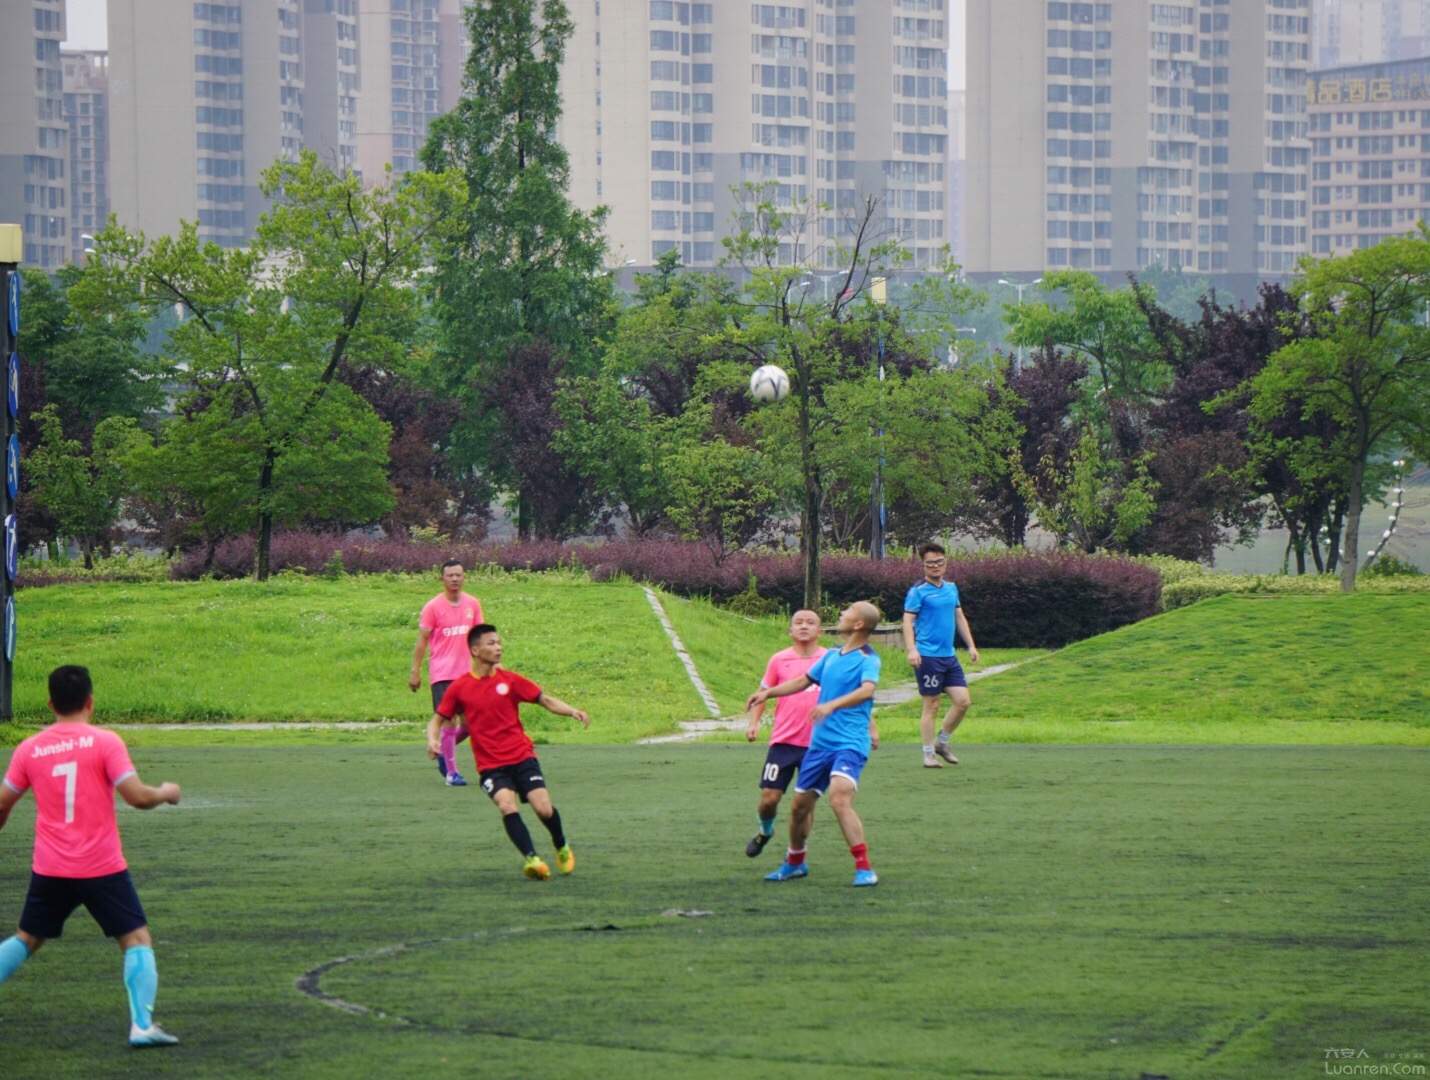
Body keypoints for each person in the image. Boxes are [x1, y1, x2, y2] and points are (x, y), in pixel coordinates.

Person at [0, 665, 183, 1048]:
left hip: (51, 867)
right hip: (101, 866)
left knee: (28, 938)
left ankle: (143, 1025)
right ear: (90, 702)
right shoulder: (104, 742)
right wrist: (166, 791)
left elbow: (2, 804)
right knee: (135, 938)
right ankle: (142, 1026)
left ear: (50, 703)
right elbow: (136, 796)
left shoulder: (29, 749)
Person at [426, 624, 589, 880]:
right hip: (490, 765)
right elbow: (437, 719)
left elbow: (544, 700)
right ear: (475, 649)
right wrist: (432, 740)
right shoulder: (460, 688)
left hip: (522, 756)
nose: (498, 647)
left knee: (543, 809)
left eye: (499, 643)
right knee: (506, 805)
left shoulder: (510, 680)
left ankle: (561, 846)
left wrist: (572, 711)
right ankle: (533, 859)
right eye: (491, 643)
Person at [746, 602, 882, 888]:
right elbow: (801, 682)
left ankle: (864, 867)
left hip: (849, 742)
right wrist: (767, 693)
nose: (842, 614)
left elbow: (868, 690)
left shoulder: (868, 658)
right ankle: (795, 863)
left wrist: (832, 704)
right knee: (798, 807)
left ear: (858, 625)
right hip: (819, 745)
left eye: (847, 612)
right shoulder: (832, 656)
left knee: (839, 797)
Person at [744, 610, 826, 858]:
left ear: (819, 631)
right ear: (790, 631)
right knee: (769, 798)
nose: (804, 626)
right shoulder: (779, 660)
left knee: (804, 804)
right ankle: (765, 832)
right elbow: (763, 693)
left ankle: (799, 850)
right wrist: (754, 723)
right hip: (784, 742)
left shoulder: (829, 659)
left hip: (818, 744)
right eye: (798, 623)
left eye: (810, 623)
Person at [902, 542, 980, 769]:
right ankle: (928, 753)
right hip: (927, 656)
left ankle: (942, 742)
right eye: (930, 563)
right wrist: (912, 649)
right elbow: (907, 621)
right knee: (932, 704)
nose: (935, 566)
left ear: (945, 562)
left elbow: (959, 617)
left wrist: (971, 646)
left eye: (939, 562)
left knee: (963, 701)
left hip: (949, 656)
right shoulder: (917, 591)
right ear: (923, 565)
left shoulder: (951, 588)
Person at [409, 558, 485, 786]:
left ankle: (441, 748)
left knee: (472, 725)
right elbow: (422, 641)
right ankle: (452, 773)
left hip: (468, 674)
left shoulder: (473, 604)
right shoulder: (433, 607)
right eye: (450, 575)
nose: (454, 579)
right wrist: (415, 671)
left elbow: (479, 638)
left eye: (458, 575)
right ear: (442, 578)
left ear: (464, 577)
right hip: (442, 674)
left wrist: (487, 666)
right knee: (449, 721)